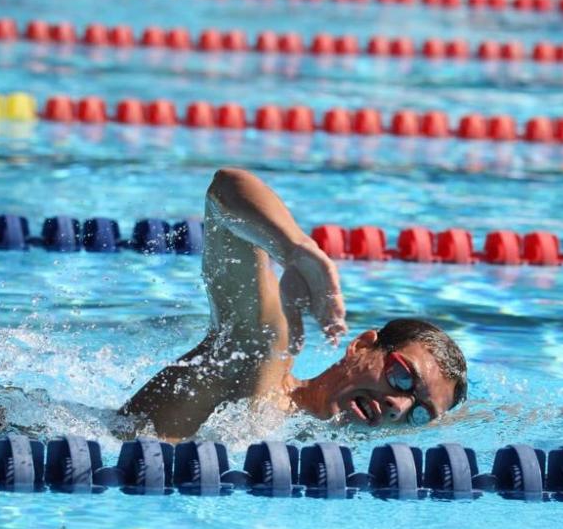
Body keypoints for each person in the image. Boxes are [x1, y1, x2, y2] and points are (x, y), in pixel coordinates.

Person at [121, 168, 468, 439]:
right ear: (361, 346)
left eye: (419, 413)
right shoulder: (258, 365)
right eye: (403, 377)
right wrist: (293, 250)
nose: (398, 406)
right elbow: (225, 189)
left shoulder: (324, 450)